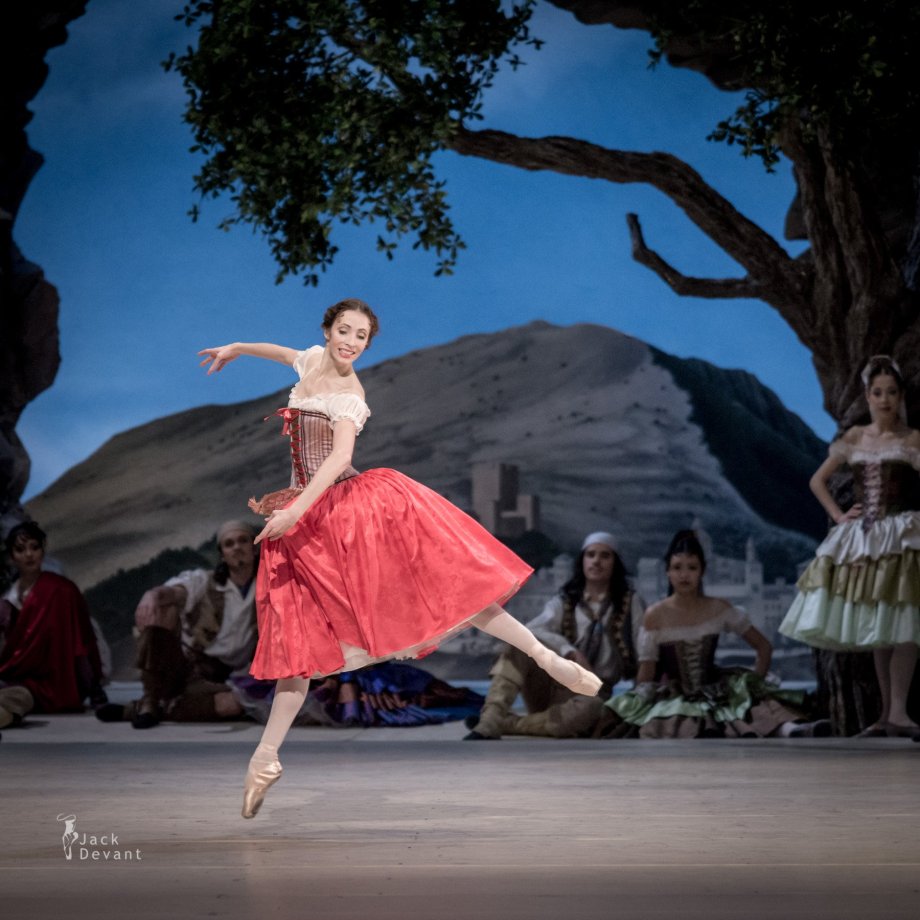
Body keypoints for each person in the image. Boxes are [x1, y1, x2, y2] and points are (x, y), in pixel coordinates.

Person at [198, 297, 602, 818]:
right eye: (345, 331)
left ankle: (545, 657)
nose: (351, 342)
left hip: (349, 513)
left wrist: (296, 509)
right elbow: (282, 352)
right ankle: (265, 757)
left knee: (445, 592)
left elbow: (340, 458)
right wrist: (237, 347)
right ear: (327, 330)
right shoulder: (311, 361)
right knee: (296, 642)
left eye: (361, 336)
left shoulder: (349, 394)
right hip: (308, 520)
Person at [779, 355, 920, 738]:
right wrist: (840, 516)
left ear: (900, 396)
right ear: (868, 396)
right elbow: (817, 481)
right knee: (880, 622)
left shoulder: (911, 439)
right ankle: (887, 714)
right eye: (878, 393)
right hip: (865, 538)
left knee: (904, 618)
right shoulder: (856, 438)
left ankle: (899, 712)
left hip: (902, 535)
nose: (885, 400)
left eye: (891, 392)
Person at [600, 530, 815, 739]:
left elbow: (764, 647)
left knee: (749, 708)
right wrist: (638, 700)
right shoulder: (655, 614)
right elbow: (647, 670)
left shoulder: (718, 608)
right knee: (669, 722)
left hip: (717, 690)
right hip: (674, 695)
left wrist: (754, 685)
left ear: (702, 571)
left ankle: (789, 729)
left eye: (692, 567)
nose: (684, 574)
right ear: (667, 572)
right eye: (677, 567)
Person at [465, 531, 644, 739]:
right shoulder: (566, 601)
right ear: (582, 561)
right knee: (519, 644)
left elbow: (643, 651)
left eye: (605, 556)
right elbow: (534, 629)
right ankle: (491, 717)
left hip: (593, 694)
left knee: (591, 709)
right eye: (591, 555)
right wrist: (569, 651)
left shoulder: (630, 604)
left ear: (615, 563)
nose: (596, 561)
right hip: (551, 686)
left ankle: (507, 724)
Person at [96, 520, 262, 729]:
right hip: (191, 669)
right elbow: (174, 592)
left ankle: (141, 708)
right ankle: (150, 698)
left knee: (231, 705)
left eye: (243, 541)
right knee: (165, 608)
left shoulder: (271, 587)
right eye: (229, 544)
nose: (236, 547)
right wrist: (152, 596)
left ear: (254, 548)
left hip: (231, 676)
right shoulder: (204, 581)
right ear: (222, 554)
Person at [0, 522, 105, 714]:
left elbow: (81, 642)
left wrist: (93, 688)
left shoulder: (62, 591)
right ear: (11, 557)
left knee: (18, 697)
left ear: (42, 550)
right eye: (20, 549)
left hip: (59, 684)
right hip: (18, 680)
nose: (29, 554)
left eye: (34, 547)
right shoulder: (7, 601)